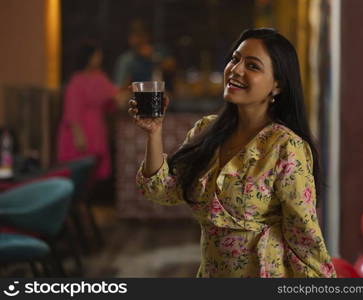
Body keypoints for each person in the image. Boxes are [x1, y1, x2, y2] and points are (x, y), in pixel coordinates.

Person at [129, 28, 337, 278]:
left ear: (277, 85)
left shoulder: (285, 147)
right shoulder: (206, 130)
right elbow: (163, 190)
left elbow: (304, 238)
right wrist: (154, 133)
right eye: (235, 59)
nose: (236, 70)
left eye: (253, 65)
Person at [57, 41, 126, 181]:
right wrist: (78, 134)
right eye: (96, 56)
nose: (99, 59)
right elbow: (72, 110)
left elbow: (111, 101)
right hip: (81, 131)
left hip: (97, 129)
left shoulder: (100, 77)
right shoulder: (77, 81)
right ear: (87, 58)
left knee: (94, 170)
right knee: (78, 171)